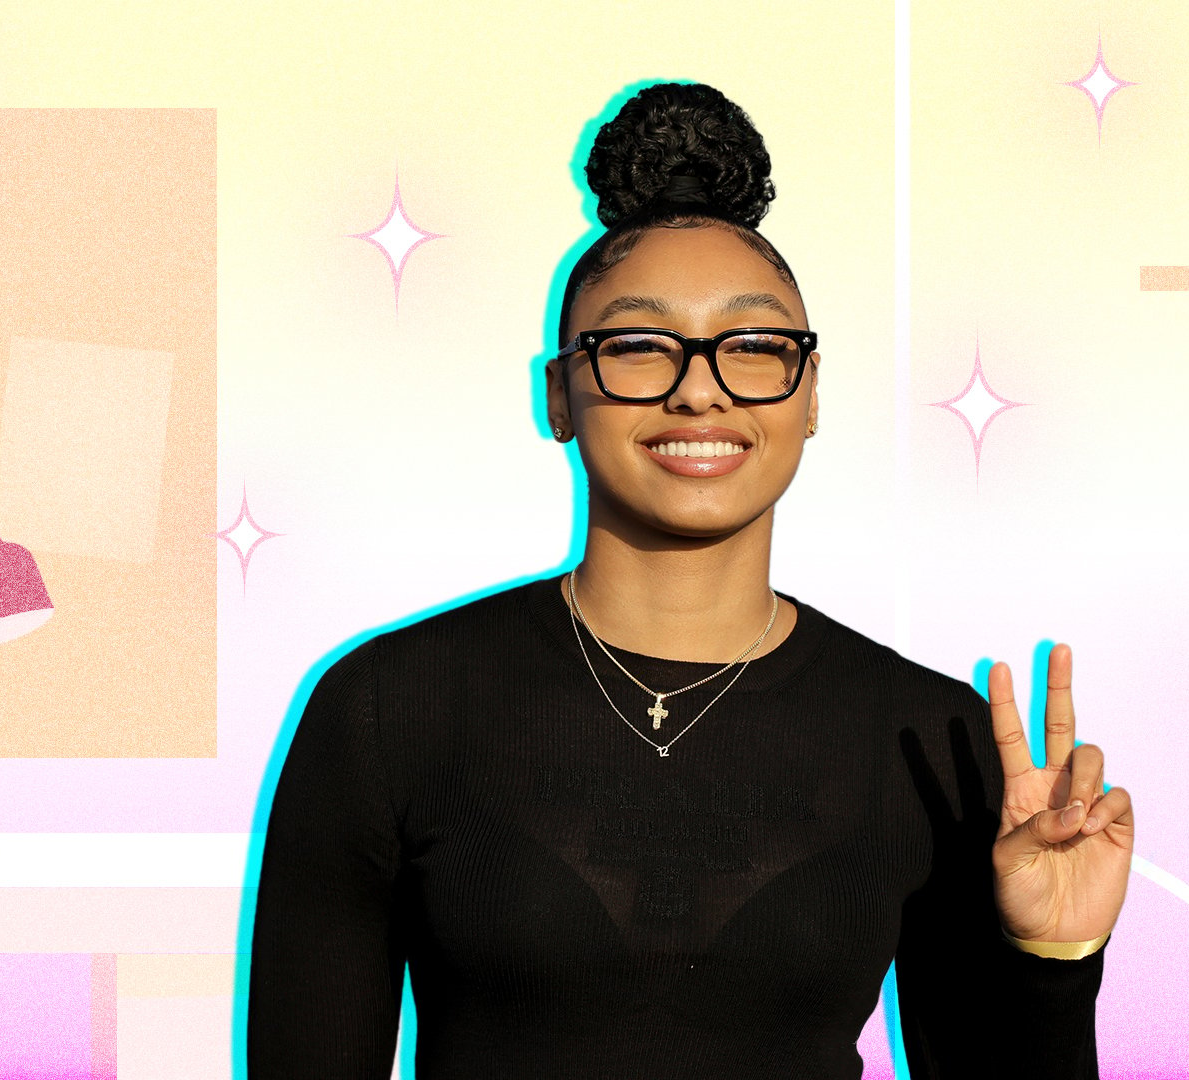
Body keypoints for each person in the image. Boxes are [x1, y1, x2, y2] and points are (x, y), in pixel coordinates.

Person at [248, 80, 1134, 1079]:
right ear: (559, 395)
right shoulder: (390, 709)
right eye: (637, 345)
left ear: (808, 397)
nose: (699, 386)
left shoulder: (930, 738)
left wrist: (1053, 960)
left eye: (755, 346)